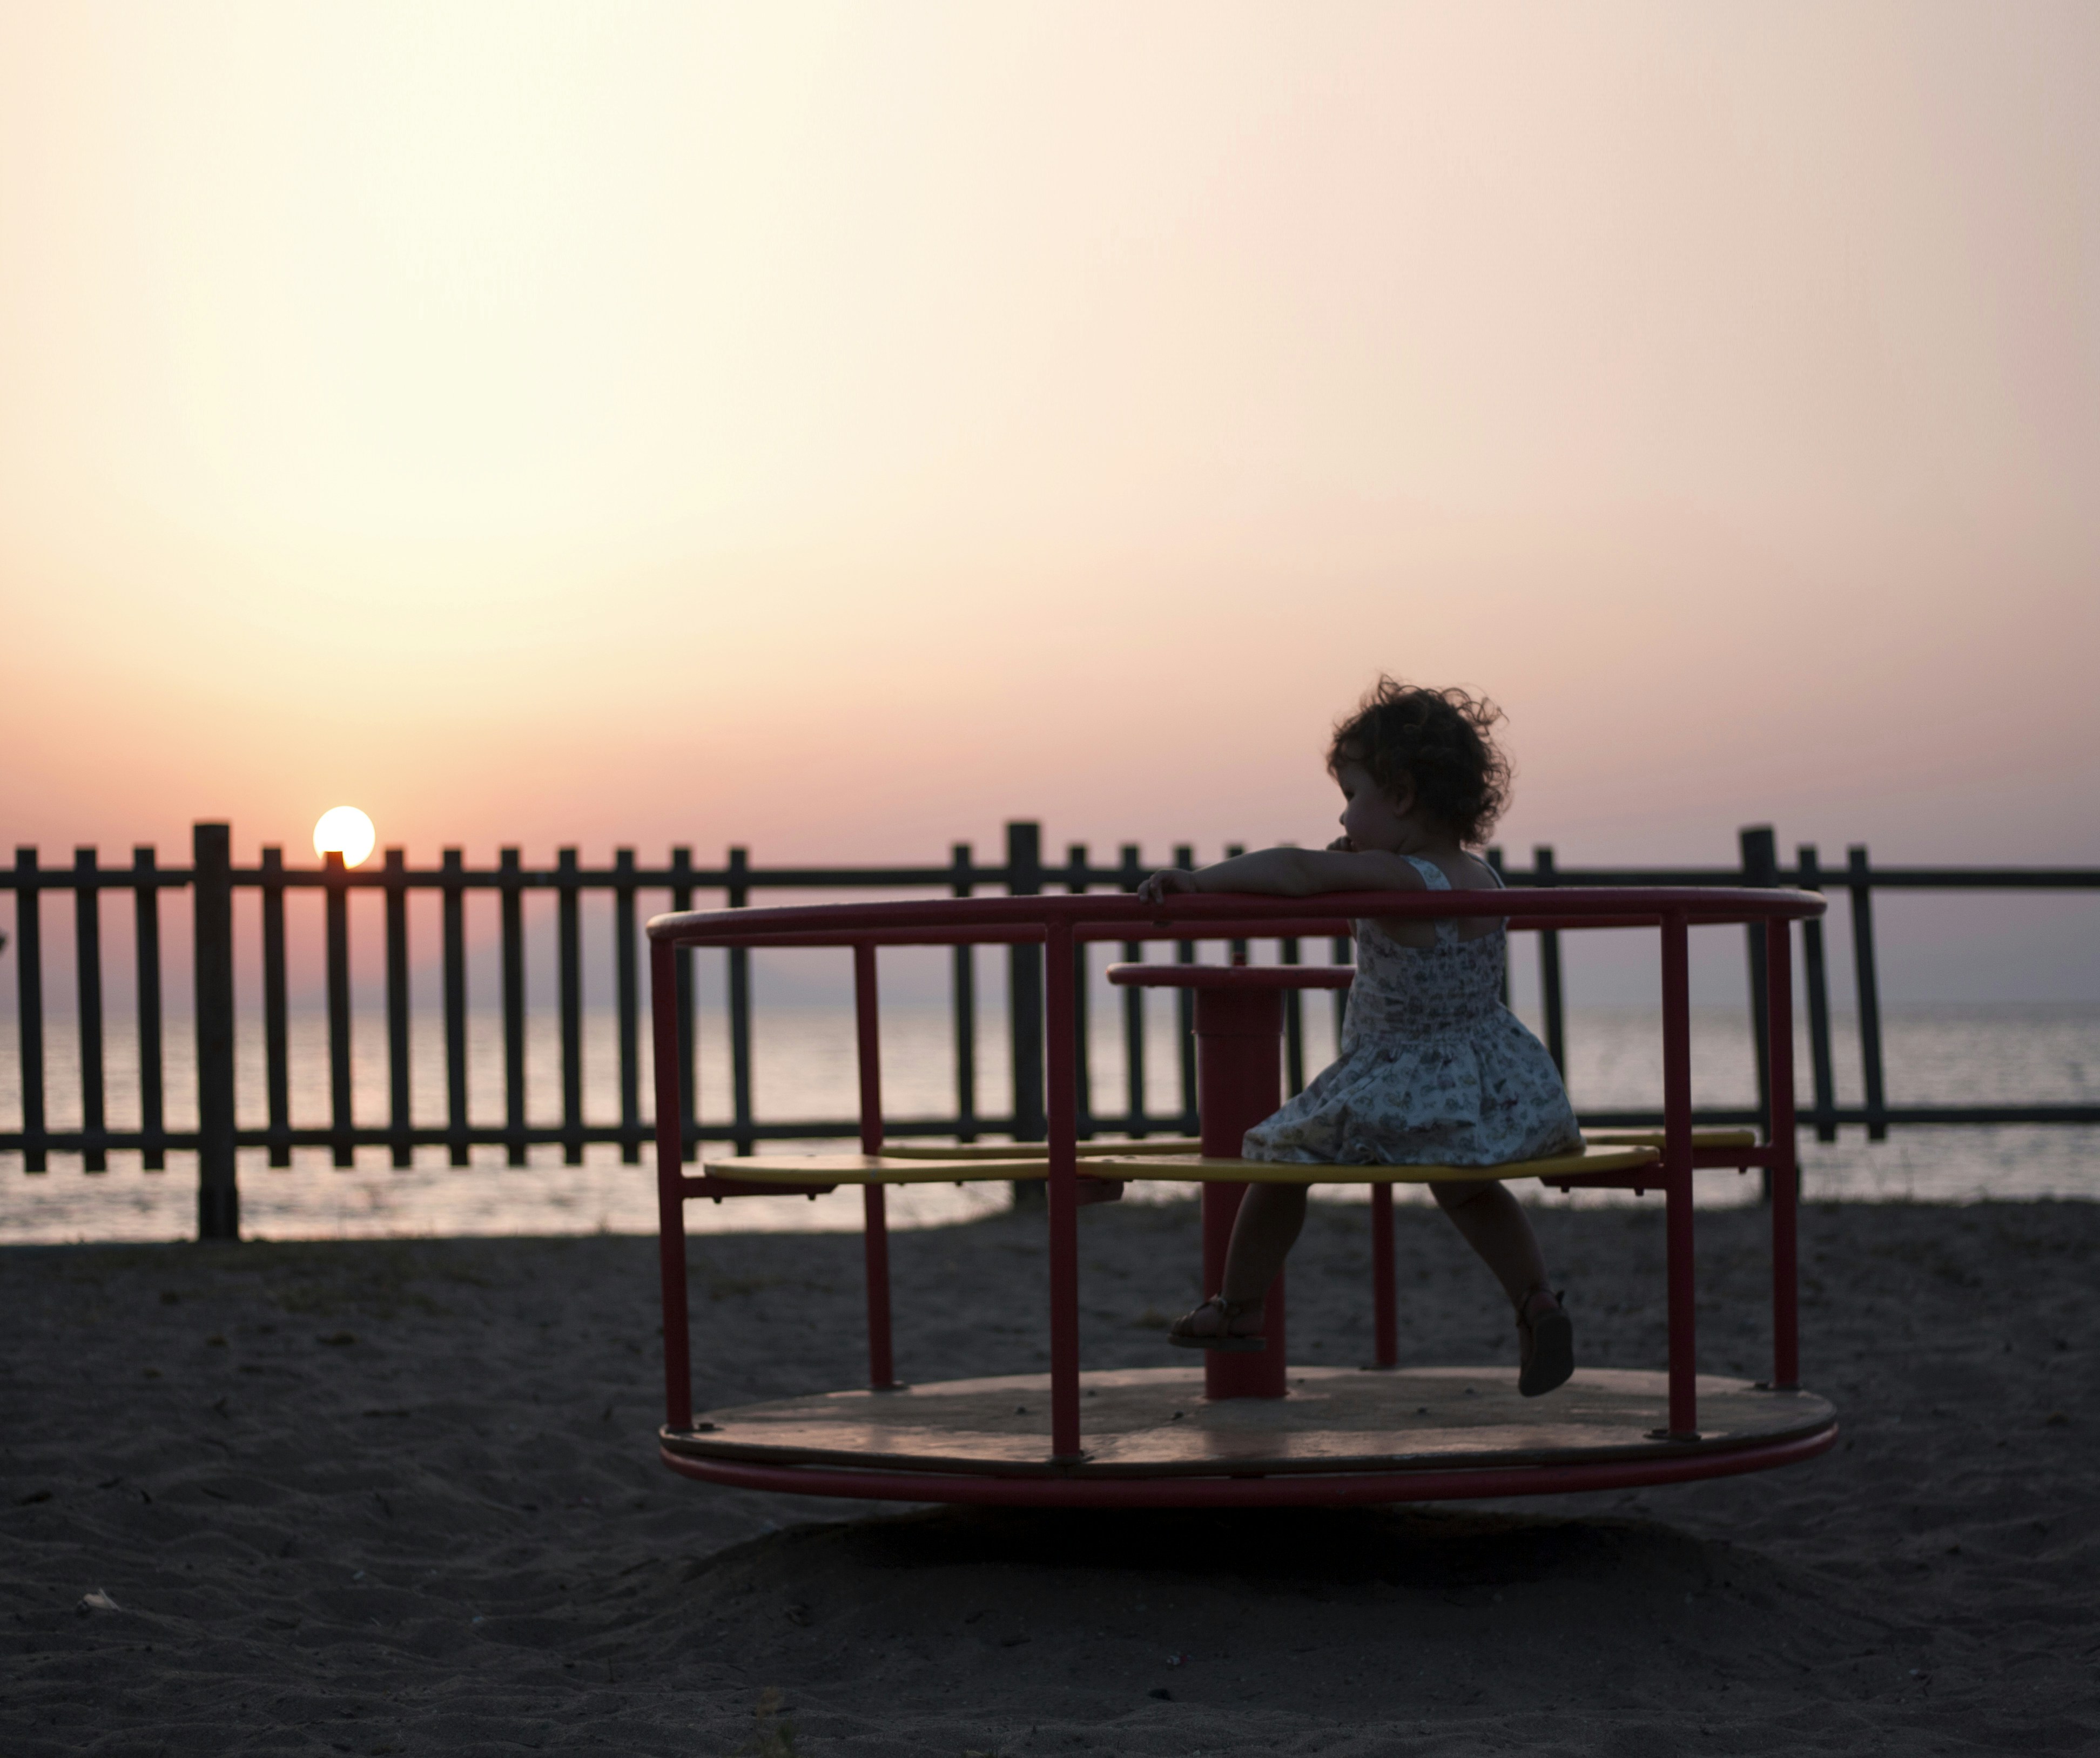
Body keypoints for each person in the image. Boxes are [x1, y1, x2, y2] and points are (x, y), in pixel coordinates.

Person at [1135, 677, 1581, 1397]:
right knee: (1468, 1190)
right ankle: (1535, 1301)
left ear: (1400, 797)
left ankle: (1239, 1306)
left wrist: (1198, 880)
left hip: (1395, 1073)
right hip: (1483, 1073)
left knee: (1282, 1160)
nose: (1343, 814)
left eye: (1351, 796)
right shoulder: (1483, 876)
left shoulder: (1398, 878)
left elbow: (1296, 871)